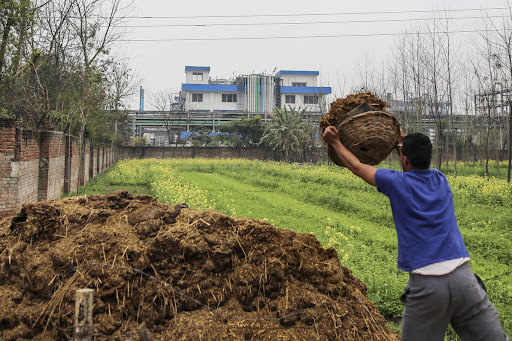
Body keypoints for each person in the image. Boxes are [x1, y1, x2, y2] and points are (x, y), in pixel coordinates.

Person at [322, 126, 509, 341]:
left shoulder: (396, 182)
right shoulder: (441, 180)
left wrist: (335, 141)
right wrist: (401, 140)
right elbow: (411, 157)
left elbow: (356, 166)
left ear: (404, 160)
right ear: (429, 158)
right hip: (465, 281)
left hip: (427, 287)